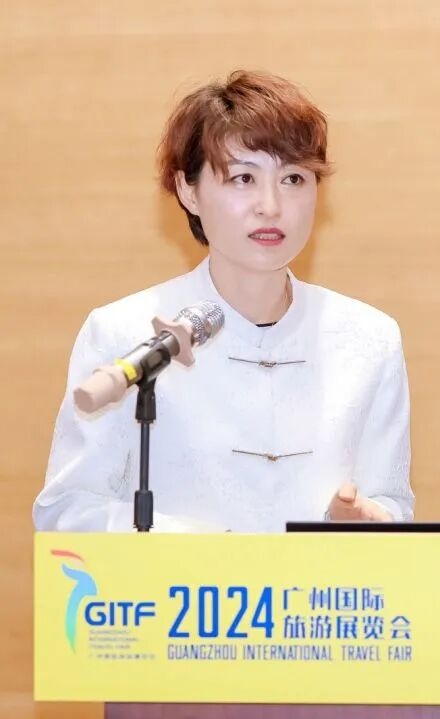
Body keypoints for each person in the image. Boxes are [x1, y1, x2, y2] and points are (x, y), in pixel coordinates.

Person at [33, 69, 414, 533]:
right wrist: (202, 550)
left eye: (294, 178)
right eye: (242, 178)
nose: (271, 206)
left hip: (319, 583)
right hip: (176, 583)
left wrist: (362, 520)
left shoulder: (370, 339)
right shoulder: (123, 333)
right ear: (188, 190)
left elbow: (392, 505)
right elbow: (67, 510)